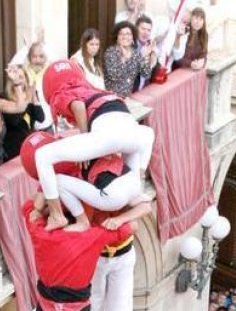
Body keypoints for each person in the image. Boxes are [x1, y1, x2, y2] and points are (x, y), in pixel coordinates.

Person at [35, 59, 155, 230]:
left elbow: (78, 106)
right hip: (131, 131)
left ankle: (57, 216)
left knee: (42, 156)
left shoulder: (62, 92)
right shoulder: (94, 89)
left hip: (107, 136)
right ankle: (139, 179)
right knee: (147, 136)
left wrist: (85, 137)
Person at [0, 65, 46, 161]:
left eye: (21, 77)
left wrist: (34, 98)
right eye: (16, 78)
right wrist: (27, 100)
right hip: (13, 147)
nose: (19, 80)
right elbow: (14, 121)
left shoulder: (31, 94)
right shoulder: (4, 97)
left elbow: (41, 118)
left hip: (29, 145)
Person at [104, 21, 154, 97]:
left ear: (132, 37)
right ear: (117, 37)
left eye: (128, 34)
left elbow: (146, 74)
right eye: (121, 34)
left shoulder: (135, 54)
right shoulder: (111, 52)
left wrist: (145, 58)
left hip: (128, 97)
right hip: (111, 97)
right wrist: (124, 58)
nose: (125, 37)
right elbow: (114, 76)